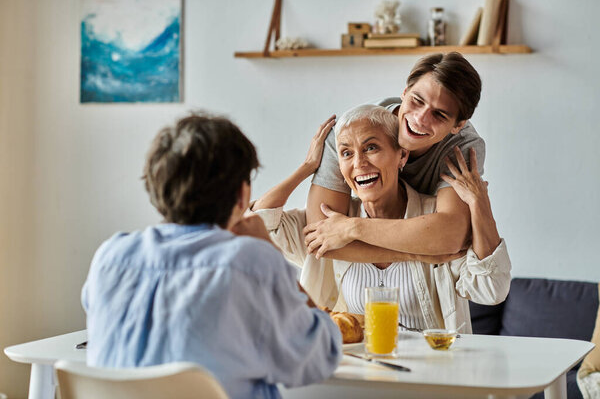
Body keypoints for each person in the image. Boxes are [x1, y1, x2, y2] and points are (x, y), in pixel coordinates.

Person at [81, 113, 342, 399]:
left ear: (155, 187)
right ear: (243, 195)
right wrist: (270, 251)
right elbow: (322, 358)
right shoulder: (250, 262)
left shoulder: (111, 257)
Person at [252, 104, 510, 332]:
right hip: (360, 376)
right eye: (346, 153)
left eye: (371, 148)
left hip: (432, 376)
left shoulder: (435, 220)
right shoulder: (329, 226)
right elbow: (259, 224)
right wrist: (308, 166)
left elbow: (490, 289)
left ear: (402, 156)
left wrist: (479, 202)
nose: (359, 163)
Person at [305, 52, 484, 259]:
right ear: (405, 92)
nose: (420, 119)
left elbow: (451, 236)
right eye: (417, 101)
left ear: (458, 125)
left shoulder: (463, 147)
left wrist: (352, 228)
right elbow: (319, 239)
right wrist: (417, 256)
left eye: (439, 114)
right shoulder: (349, 131)